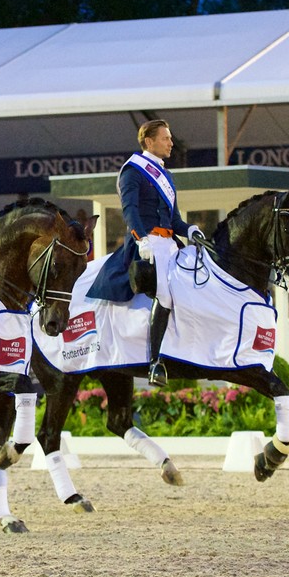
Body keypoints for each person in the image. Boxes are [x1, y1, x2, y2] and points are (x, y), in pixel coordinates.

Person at [86, 119, 204, 387]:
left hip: (170, 242)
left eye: (170, 138)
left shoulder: (167, 176)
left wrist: (191, 229)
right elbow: (130, 211)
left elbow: (174, 220)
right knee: (164, 292)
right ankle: (155, 362)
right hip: (147, 243)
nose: (171, 143)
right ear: (149, 142)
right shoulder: (133, 171)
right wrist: (142, 239)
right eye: (166, 138)